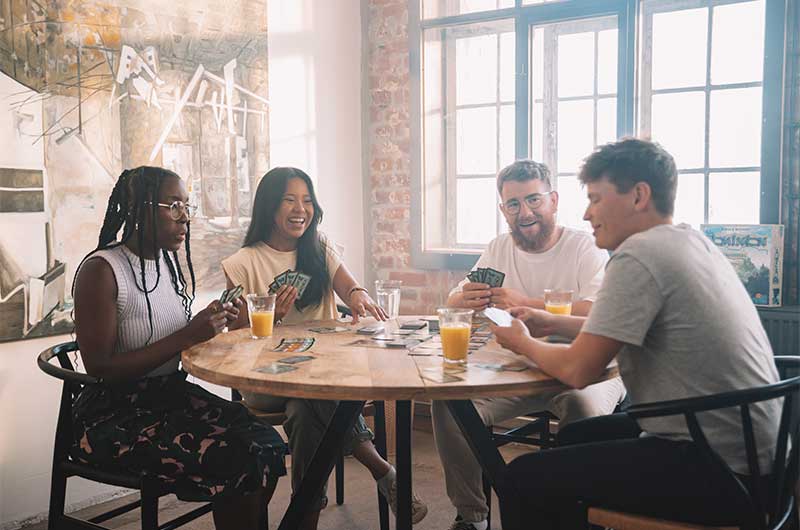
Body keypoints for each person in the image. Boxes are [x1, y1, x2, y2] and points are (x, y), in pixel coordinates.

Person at [491, 139, 781, 530]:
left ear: (639, 196)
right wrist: (552, 321)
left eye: (595, 198)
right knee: (577, 437)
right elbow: (641, 328)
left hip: (719, 470)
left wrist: (522, 340)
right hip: (761, 456)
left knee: (522, 479)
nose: (587, 212)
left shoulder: (638, 256)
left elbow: (579, 371)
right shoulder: (689, 242)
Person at [71, 167, 287, 530]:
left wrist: (217, 323)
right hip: (112, 416)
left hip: (167, 397)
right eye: (173, 206)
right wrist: (188, 335)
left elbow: (175, 338)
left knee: (265, 442)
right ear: (140, 208)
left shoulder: (165, 264)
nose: (185, 217)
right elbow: (100, 368)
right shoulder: (102, 270)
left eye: (188, 206)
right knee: (235, 456)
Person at [222, 166, 428, 529]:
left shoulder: (319, 247)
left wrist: (360, 296)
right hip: (265, 378)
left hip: (323, 373)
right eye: (289, 200)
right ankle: (381, 468)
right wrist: (271, 316)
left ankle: (305, 513)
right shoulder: (242, 263)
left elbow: (349, 287)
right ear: (269, 206)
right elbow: (233, 331)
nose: (300, 209)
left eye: (307, 200)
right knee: (312, 397)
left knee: (305, 410)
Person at [434, 160, 626, 530]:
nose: (525, 212)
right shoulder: (498, 247)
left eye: (534, 200)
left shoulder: (585, 246)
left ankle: (579, 515)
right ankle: (472, 516)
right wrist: (463, 299)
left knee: (581, 407)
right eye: (513, 204)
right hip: (515, 369)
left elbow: (599, 313)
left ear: (553, 200)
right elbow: (453, 298)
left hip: (588, 369)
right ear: (502, 209)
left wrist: (526, 302)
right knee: (451, 407)